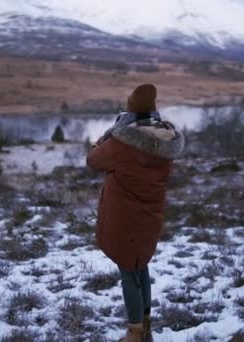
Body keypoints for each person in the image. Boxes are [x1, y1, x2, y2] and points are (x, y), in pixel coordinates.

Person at [87, 84, 184, 342]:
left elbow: (93, 160)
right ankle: (146, 326)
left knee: (128, 272)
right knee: (141, 266)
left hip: (124, 219)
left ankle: (135, 333)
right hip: (150, 217)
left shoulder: (121, 142)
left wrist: (111, 134)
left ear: (129, 111)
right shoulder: (163, 140)